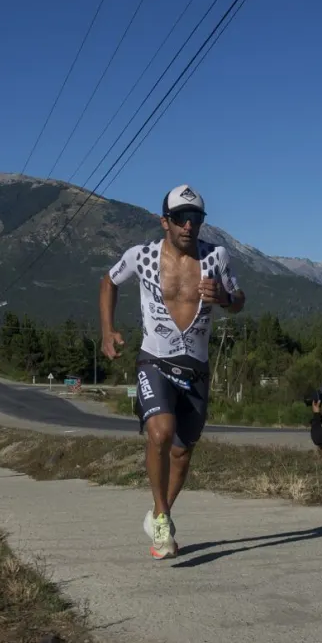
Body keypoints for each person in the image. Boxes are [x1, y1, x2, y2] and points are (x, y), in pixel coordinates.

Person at [99, 184, 246, 560]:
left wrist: (224, 298)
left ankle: (160, 511)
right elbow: (108, 282)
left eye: (195, 219)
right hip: (155, 360)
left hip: (196, 368)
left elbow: (239, 301)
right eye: (180, 218)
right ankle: (162, 516)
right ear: (165, 221)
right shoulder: (142, 256)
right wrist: (107, 331)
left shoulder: (217, 257)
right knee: (160, 433)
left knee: (182, 454)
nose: (188, 226)